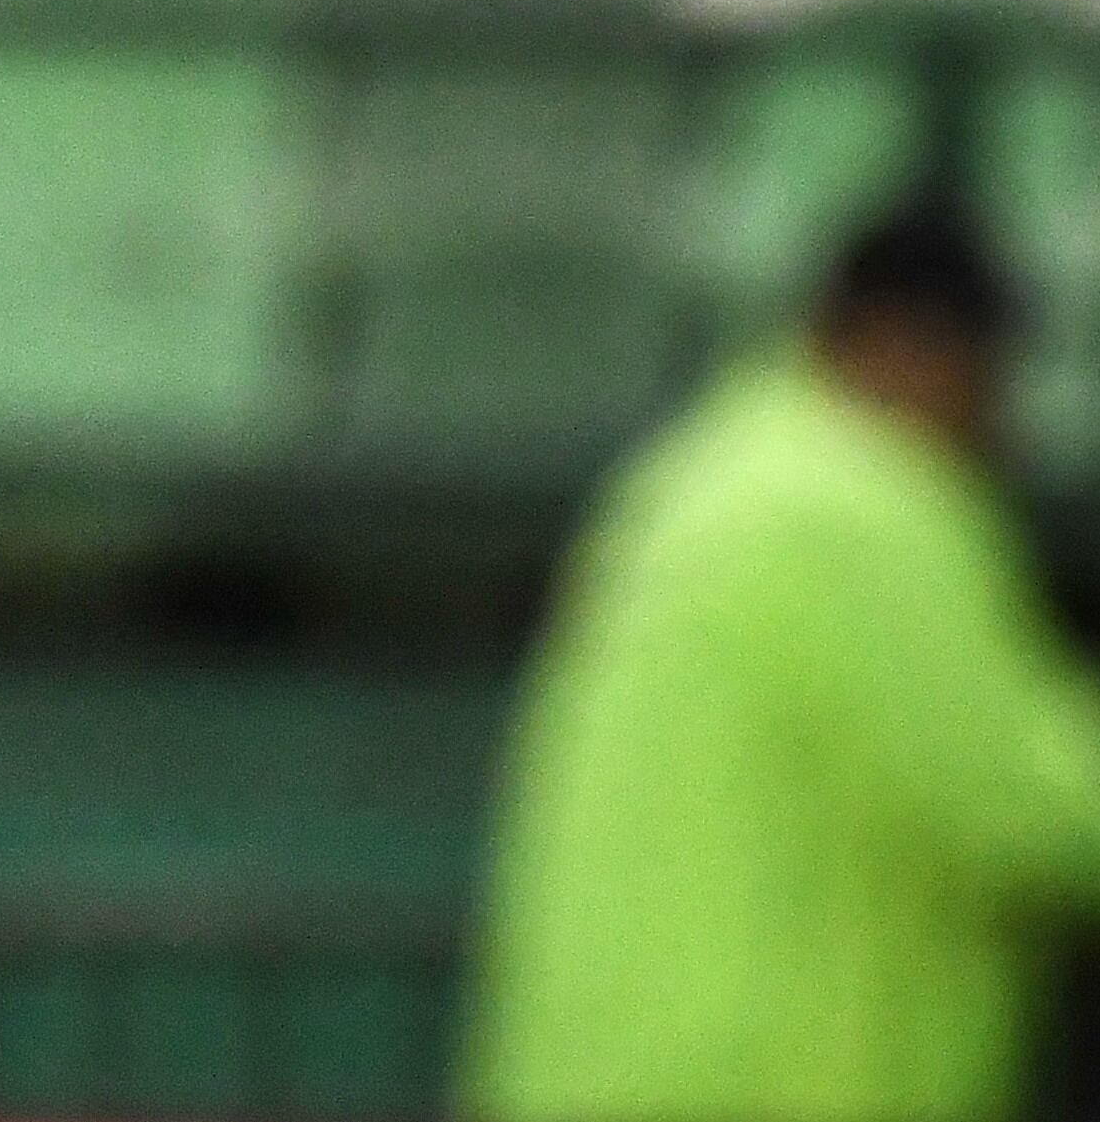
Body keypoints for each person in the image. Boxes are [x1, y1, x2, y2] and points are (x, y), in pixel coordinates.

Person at [468, 194, 1100, 1122]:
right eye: (991, 379)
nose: (1001, 428)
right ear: (916, 347)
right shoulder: (862, 506)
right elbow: (1034, 806)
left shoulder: (699, 474)